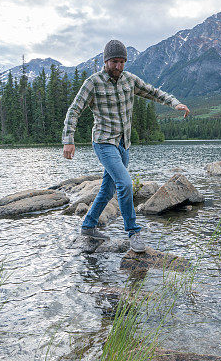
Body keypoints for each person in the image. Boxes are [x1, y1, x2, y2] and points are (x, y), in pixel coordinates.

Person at [62, 39, 189, 252]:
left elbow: (154, 92)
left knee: (107, 189)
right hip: (104, 143)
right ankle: (133, 233)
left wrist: (175, 103)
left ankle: (88, 225)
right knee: (126, 184)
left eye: (122, 62)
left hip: (123, 144)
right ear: (106, 61)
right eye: (114, 62)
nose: (118, 66)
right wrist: (68, 139)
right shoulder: (93, 83)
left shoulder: (130, 80)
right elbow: (74, 110)